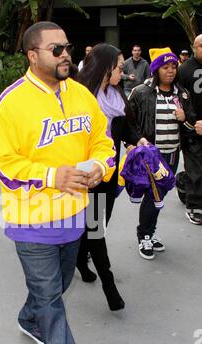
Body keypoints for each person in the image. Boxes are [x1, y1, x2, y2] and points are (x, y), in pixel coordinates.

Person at [0, 22, 115, 344]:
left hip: (74, 214)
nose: (65, 55)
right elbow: (0, 162)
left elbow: (102, 140)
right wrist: (50, 175)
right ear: (32, 55)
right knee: (51, 298)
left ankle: (28, 318)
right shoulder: (10, 103)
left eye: (67, 48)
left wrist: (97, 165)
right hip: (31, 220)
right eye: (55, 49)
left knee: (58, 285)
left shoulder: (79, 94)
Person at [77, 43, 148, 310]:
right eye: (119, 68)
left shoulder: (116, 95)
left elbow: (126, 126)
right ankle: (109, 285)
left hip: (110, 174)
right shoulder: (82, 99)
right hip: (88, 176)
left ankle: (80, 259)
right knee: (96, 229)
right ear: (105, 69)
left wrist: (137, 139)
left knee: (98, 224)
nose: (122, 72)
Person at [129, 47, 196, 259]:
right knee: (153, 195)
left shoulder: (182, 93)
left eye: (174, 66)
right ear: (156, 69)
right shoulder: (141, 92)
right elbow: (128, 121)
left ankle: (150, 231)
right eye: (165, 67)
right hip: (151, 155)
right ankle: (144, 235)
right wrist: (132, 144)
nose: (171, 71)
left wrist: (185, 116)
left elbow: (191, 122)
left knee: (160, 194)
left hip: (173, 153)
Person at [178, 35, 202, 224]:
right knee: (195, 166)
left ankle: (181, 181)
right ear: (194, 47)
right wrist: (189, 122)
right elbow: (179, 97)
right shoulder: (184, 70)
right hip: (192, 126)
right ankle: (194, 205)